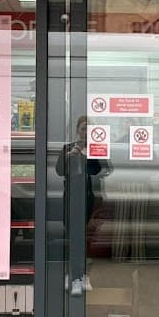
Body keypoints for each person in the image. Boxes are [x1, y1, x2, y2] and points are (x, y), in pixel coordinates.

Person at [56, 116, 110, 292]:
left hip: (89, 197)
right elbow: (59, 171)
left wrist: (90, 155)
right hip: (71, 197)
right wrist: (70, 156)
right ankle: (70, 274)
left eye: (88, 129)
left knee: (87, 236)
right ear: (77, 131)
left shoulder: (97, 148)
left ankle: (83, 275)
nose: (85, 132)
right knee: (72, 235)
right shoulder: (68, 148)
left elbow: (103, 170)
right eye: (82, 129)